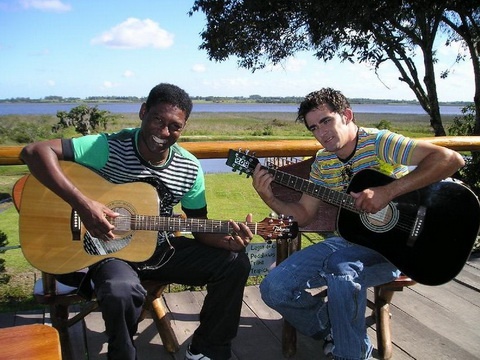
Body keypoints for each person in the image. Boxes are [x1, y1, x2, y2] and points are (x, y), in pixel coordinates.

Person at [21, 83, 253, 360]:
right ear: (143, 112)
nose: (165, 133)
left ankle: (207, 351)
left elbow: (198, 226)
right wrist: (84, 205)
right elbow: (34, 152)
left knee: (234, 263)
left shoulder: (189, 167)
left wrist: (227, 240)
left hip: (161, 250)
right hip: (110, 251)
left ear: (184, 127)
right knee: (121, 291)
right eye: (158, 120)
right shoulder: (105, 147)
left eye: (175, 126)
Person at [251, 87, 465, 360]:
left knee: (341, 269)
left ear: (347, 115)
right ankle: (334, 328)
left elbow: (450, 159)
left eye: (326, 121)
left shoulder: (378, 143)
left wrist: (388, 192)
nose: (321, 133)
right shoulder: (323, 163)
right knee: (274, 288)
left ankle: (350, 353)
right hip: (349, 242)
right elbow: (303, 214)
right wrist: (269, 197)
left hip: (396, 249)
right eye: (313, 128)